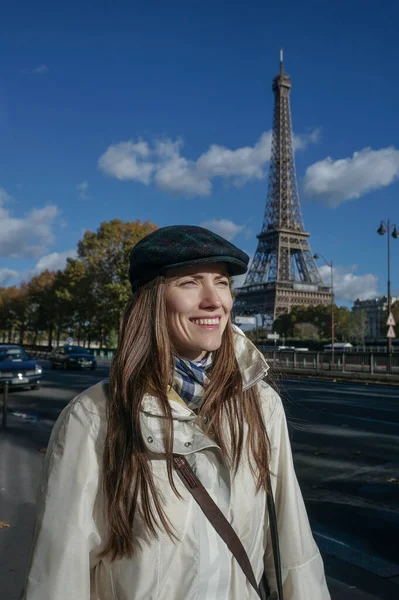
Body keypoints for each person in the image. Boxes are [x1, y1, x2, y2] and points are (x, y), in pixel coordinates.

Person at [24, 225, 331, 600]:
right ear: (152, 300)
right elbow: (60, 575)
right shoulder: (94, 417)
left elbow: (292, 546)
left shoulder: (261, 404)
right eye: (189, 282)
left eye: (221, 282)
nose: (214, 300)